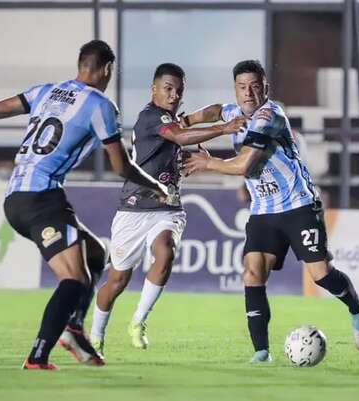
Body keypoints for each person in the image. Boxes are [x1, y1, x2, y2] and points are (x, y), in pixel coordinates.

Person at [0, 40, 171, 370]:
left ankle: (73, 329)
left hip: (16, 196)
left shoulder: (46, 91)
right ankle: (38, 355)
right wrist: (155, 185)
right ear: (106, 70)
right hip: (41, 200)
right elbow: (120, 166)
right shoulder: (100, 105)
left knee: (94, 253)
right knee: (73, 280)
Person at [182, 60, 359, 363]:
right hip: (263, 211)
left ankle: (357, 308)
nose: (248, 93)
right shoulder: (234, 111)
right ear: (236, 90)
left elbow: (245, 164)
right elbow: (216, 110)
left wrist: (207, 163)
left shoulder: (269, 116)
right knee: (252, 272)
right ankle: (261, 353)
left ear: (265, 88)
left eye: (255, 86)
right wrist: (187, 119)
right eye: (242, 87)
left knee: (321, 275)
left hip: (298, 204)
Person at [89, 63, 246, 354]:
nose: (173, 95)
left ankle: (138, 321)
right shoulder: (151, 116)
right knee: (117, 280)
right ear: (154, 89)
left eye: (178, 90)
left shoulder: (172, 119)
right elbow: (180, 136)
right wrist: (224, 128)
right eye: (168, 89)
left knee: (165, 252)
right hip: (134, 207)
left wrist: (184, 159)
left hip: (168, 208)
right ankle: (96, 334)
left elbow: (190, 126)